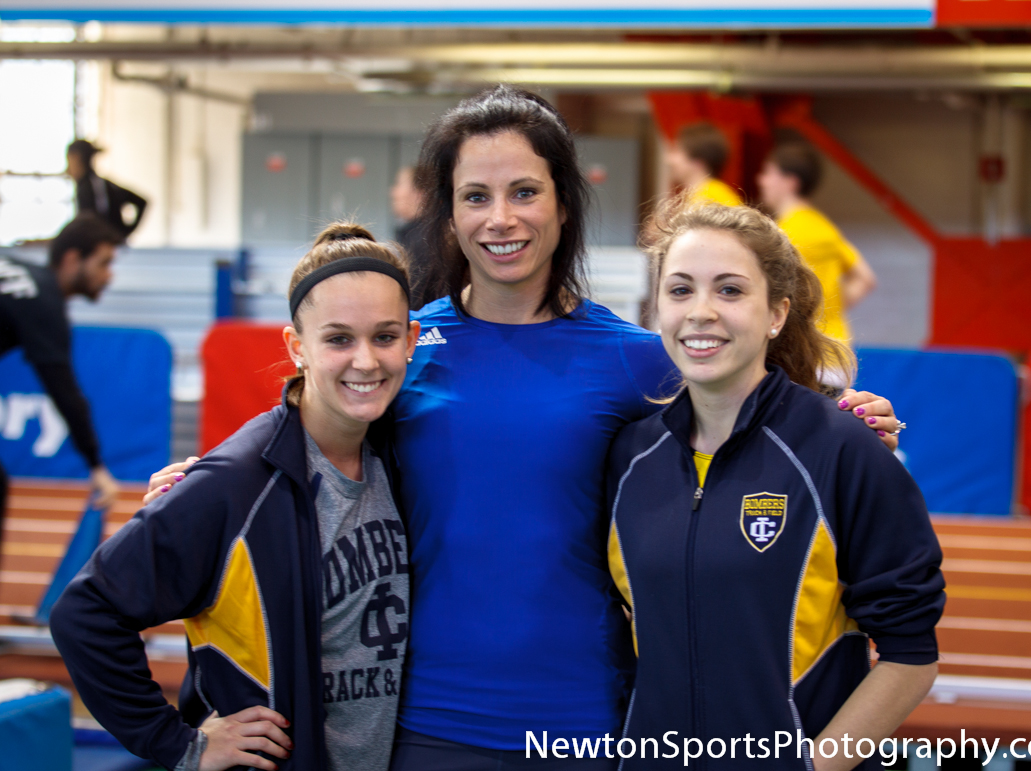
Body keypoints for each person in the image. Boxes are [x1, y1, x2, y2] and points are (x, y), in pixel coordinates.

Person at [144, 86, 901, 770]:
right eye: (475, 195)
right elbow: (307, 429)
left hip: (587, 724)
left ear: (563, 204)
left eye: (524, 192)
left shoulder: (635, 360)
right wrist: (207, 483)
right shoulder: (402, 346)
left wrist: (847, 423)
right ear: (449, 211)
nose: (500, 218)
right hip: (423, 724)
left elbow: (753, 409)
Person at [50, 224, 421, 771]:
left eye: (384, 337)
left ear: (411, 340)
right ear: (298, 347)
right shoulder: (236, 482)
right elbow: (85, 613)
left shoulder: (399, 456)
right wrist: (180, 744)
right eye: (339, 339)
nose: (365, 361)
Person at [607, 201, 942, 769]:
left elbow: (911, 657)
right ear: (656, 307)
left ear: (776, 314)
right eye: (681, 290)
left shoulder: (843, 450)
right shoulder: (629, 457)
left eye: (731, 291)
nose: (701, 312)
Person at [0, 214, 122, 536]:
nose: (109, 276)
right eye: (104, 263)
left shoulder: (24, 276)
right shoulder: (43, 300)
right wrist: (96, 467)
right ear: (72, 259)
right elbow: (64, 391)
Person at [757, 142, 877, 344]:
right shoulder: (825, 228)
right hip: (837, 348)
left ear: (790, 182)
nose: (761, 180)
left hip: (806, 350)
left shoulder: (781, 234)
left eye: (768, 173)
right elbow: (866, 279)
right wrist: (828, 310)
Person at [66, 139, 148, 241]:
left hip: (103, 248)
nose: (68, 169)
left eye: (69, 160)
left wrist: (123, 233)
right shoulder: (88, 185)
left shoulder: (95, 187)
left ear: (76, 158)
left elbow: (140, 202)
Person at [666, 122, 743, 208]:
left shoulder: (715, 198)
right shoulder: (702, 195)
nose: (669, 159)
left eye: (676, 151)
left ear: (698, 162)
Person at [389, 165, 432, 310]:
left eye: (399, 185)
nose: (393, 192)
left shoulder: (425, 242)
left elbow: (414, 299)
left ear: (420, 194)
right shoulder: (412, 236)